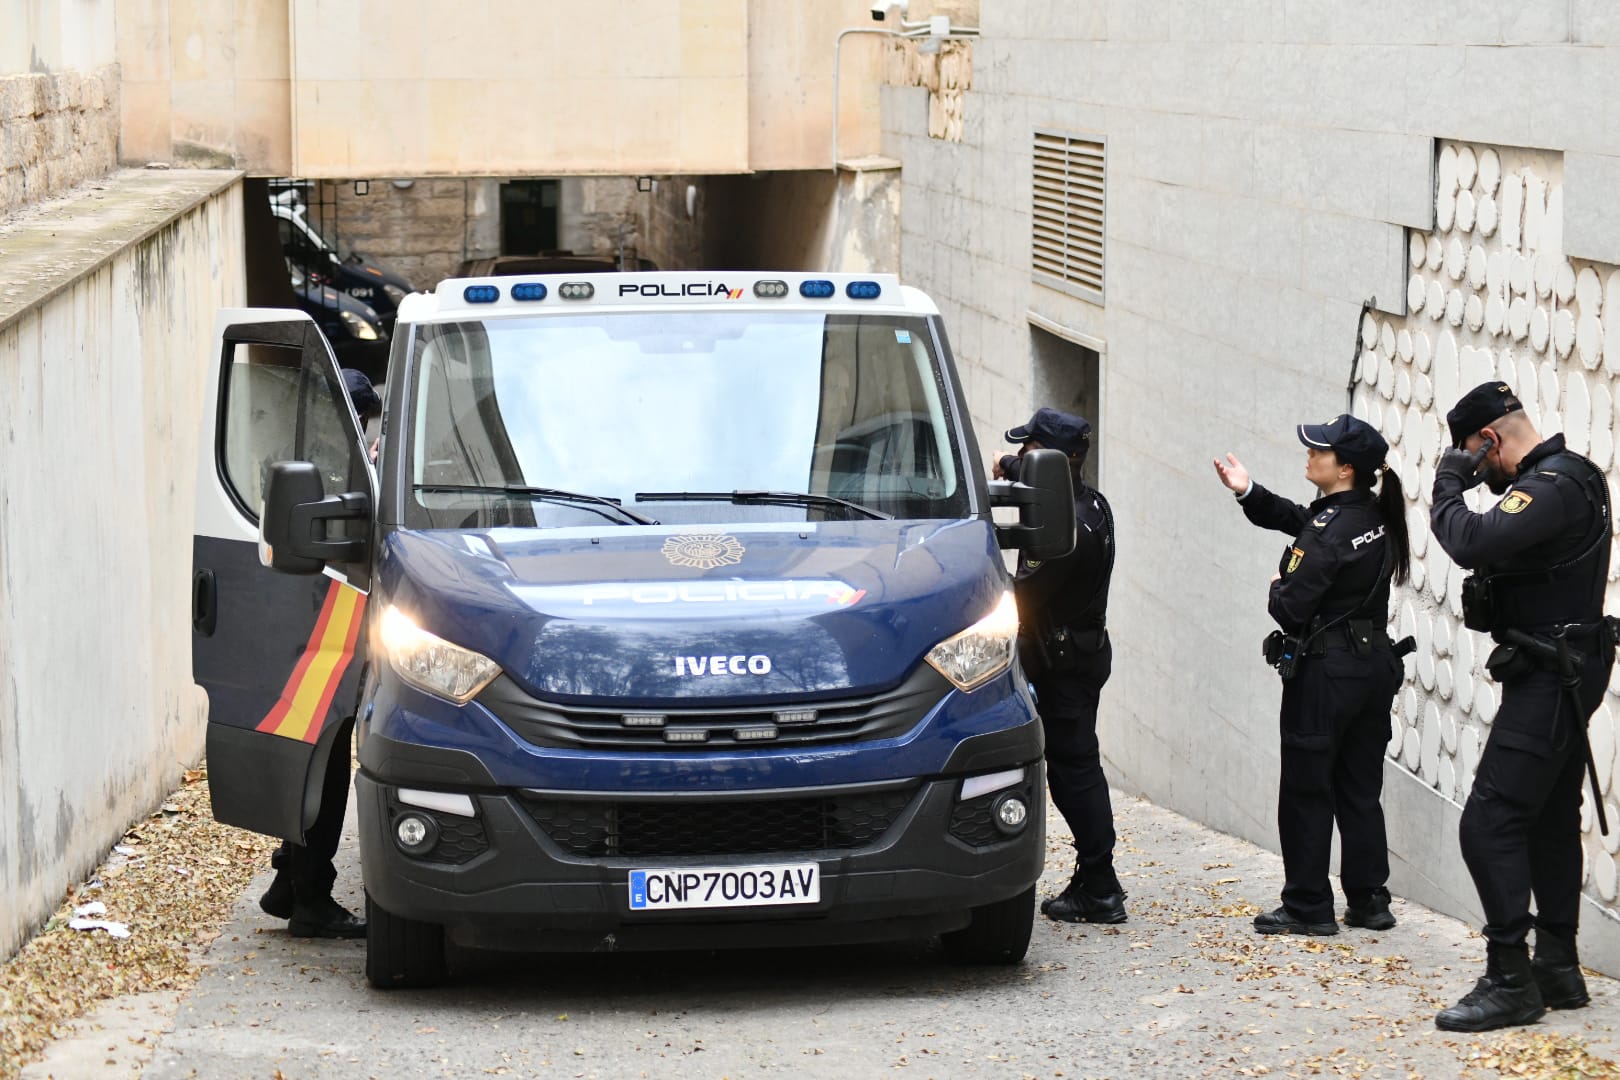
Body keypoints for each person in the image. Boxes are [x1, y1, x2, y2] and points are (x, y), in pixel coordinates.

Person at [1428, 382, 1612, 1032]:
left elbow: (1470, 540)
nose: (1484, 477)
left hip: (1551, 675)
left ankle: (1510, 977)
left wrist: (1447, 484)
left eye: (1479, 461)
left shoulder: (1554, 486)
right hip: (1560, 666)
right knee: (1549, 817)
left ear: (1490, 442)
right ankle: (1557, 966)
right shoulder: (1573, 477)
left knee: (1489, 820)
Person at [1213, 414, 1409, 937]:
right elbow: (1301, 518)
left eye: (1317, 451)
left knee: (1306, 789)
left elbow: (1291, 607)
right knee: (1359, 788)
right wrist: (1248, 491)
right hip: (1372, 669)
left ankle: (1307, 906)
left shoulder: (1327, 533)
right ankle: (1369, 901)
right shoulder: (1371, 513)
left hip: (1327, 675)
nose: (1308, 455)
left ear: (1344, 468)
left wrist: (1278, 584)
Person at [257, 368, 382, 939]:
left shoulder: (298, 456)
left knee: (317, 761)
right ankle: (309, 894)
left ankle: (293, 879)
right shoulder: (337, 467)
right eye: (363, 420)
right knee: (326, 766)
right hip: (329, 632)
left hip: (315, 631)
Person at [995, 407, 1125, 924]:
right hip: (1082, 649)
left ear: (1049, 459)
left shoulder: (1064, 530)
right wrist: (1008, 465)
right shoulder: (1088, 502)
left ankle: (1099, 884)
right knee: (1078, 766)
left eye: (1029, 450)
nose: (1021, 455)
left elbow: (1020, 596)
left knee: (1075, 772)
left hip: (1064, 662)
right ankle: (1099, 878)